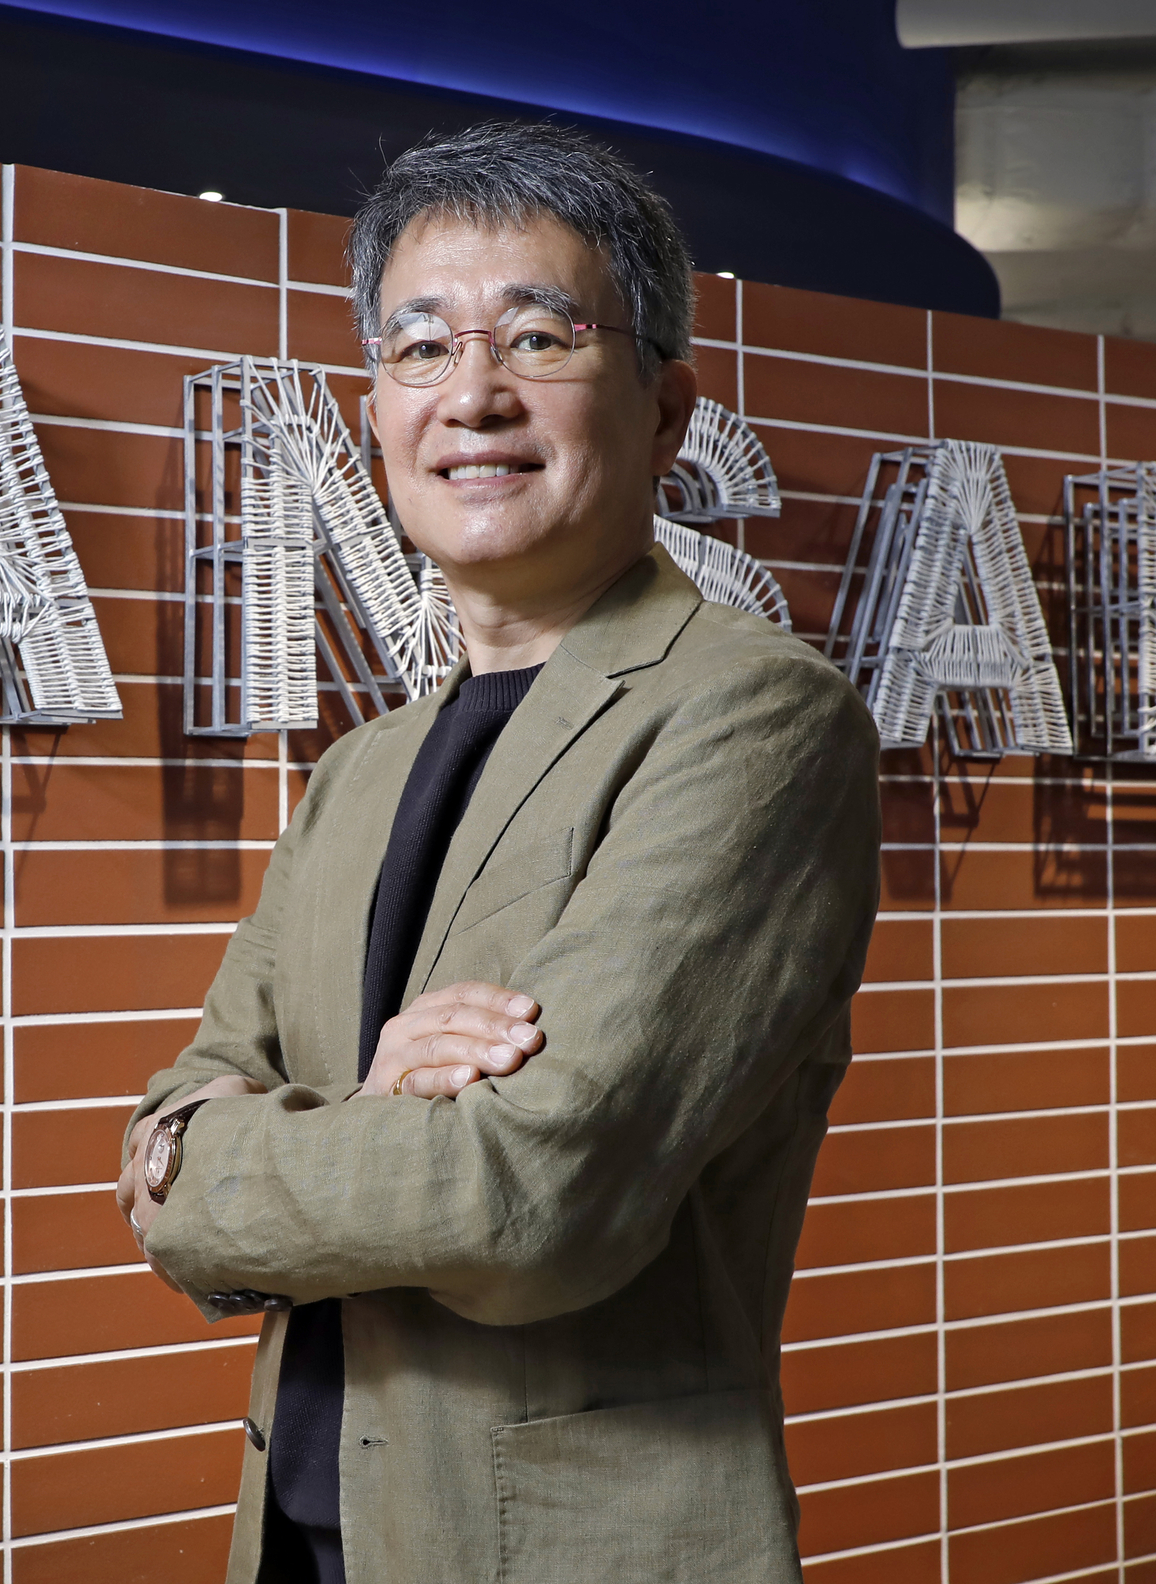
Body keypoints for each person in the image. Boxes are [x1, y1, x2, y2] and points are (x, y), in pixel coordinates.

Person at [116, 120, 880, 1583]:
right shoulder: (358, 772)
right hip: (303, 1540)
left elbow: (530, 1202)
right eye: (420, 352)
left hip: (568, 1550)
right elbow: (169, 1131)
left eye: (539, 338)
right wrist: (366, 1103)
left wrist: (225, 1152)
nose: (473, 395)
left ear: (665, 413)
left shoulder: (754, 716)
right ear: (375, 416)